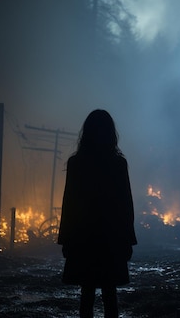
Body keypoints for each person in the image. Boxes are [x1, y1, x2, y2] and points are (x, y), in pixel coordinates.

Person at [58, 109, 137, 318]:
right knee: (110, 294)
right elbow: (125, 205)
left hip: (84, 238)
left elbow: (70, 205)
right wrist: (128, 240)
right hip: (110, 239)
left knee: (87, 294)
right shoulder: (118, 164)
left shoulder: (77, 164)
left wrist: (66, 240)